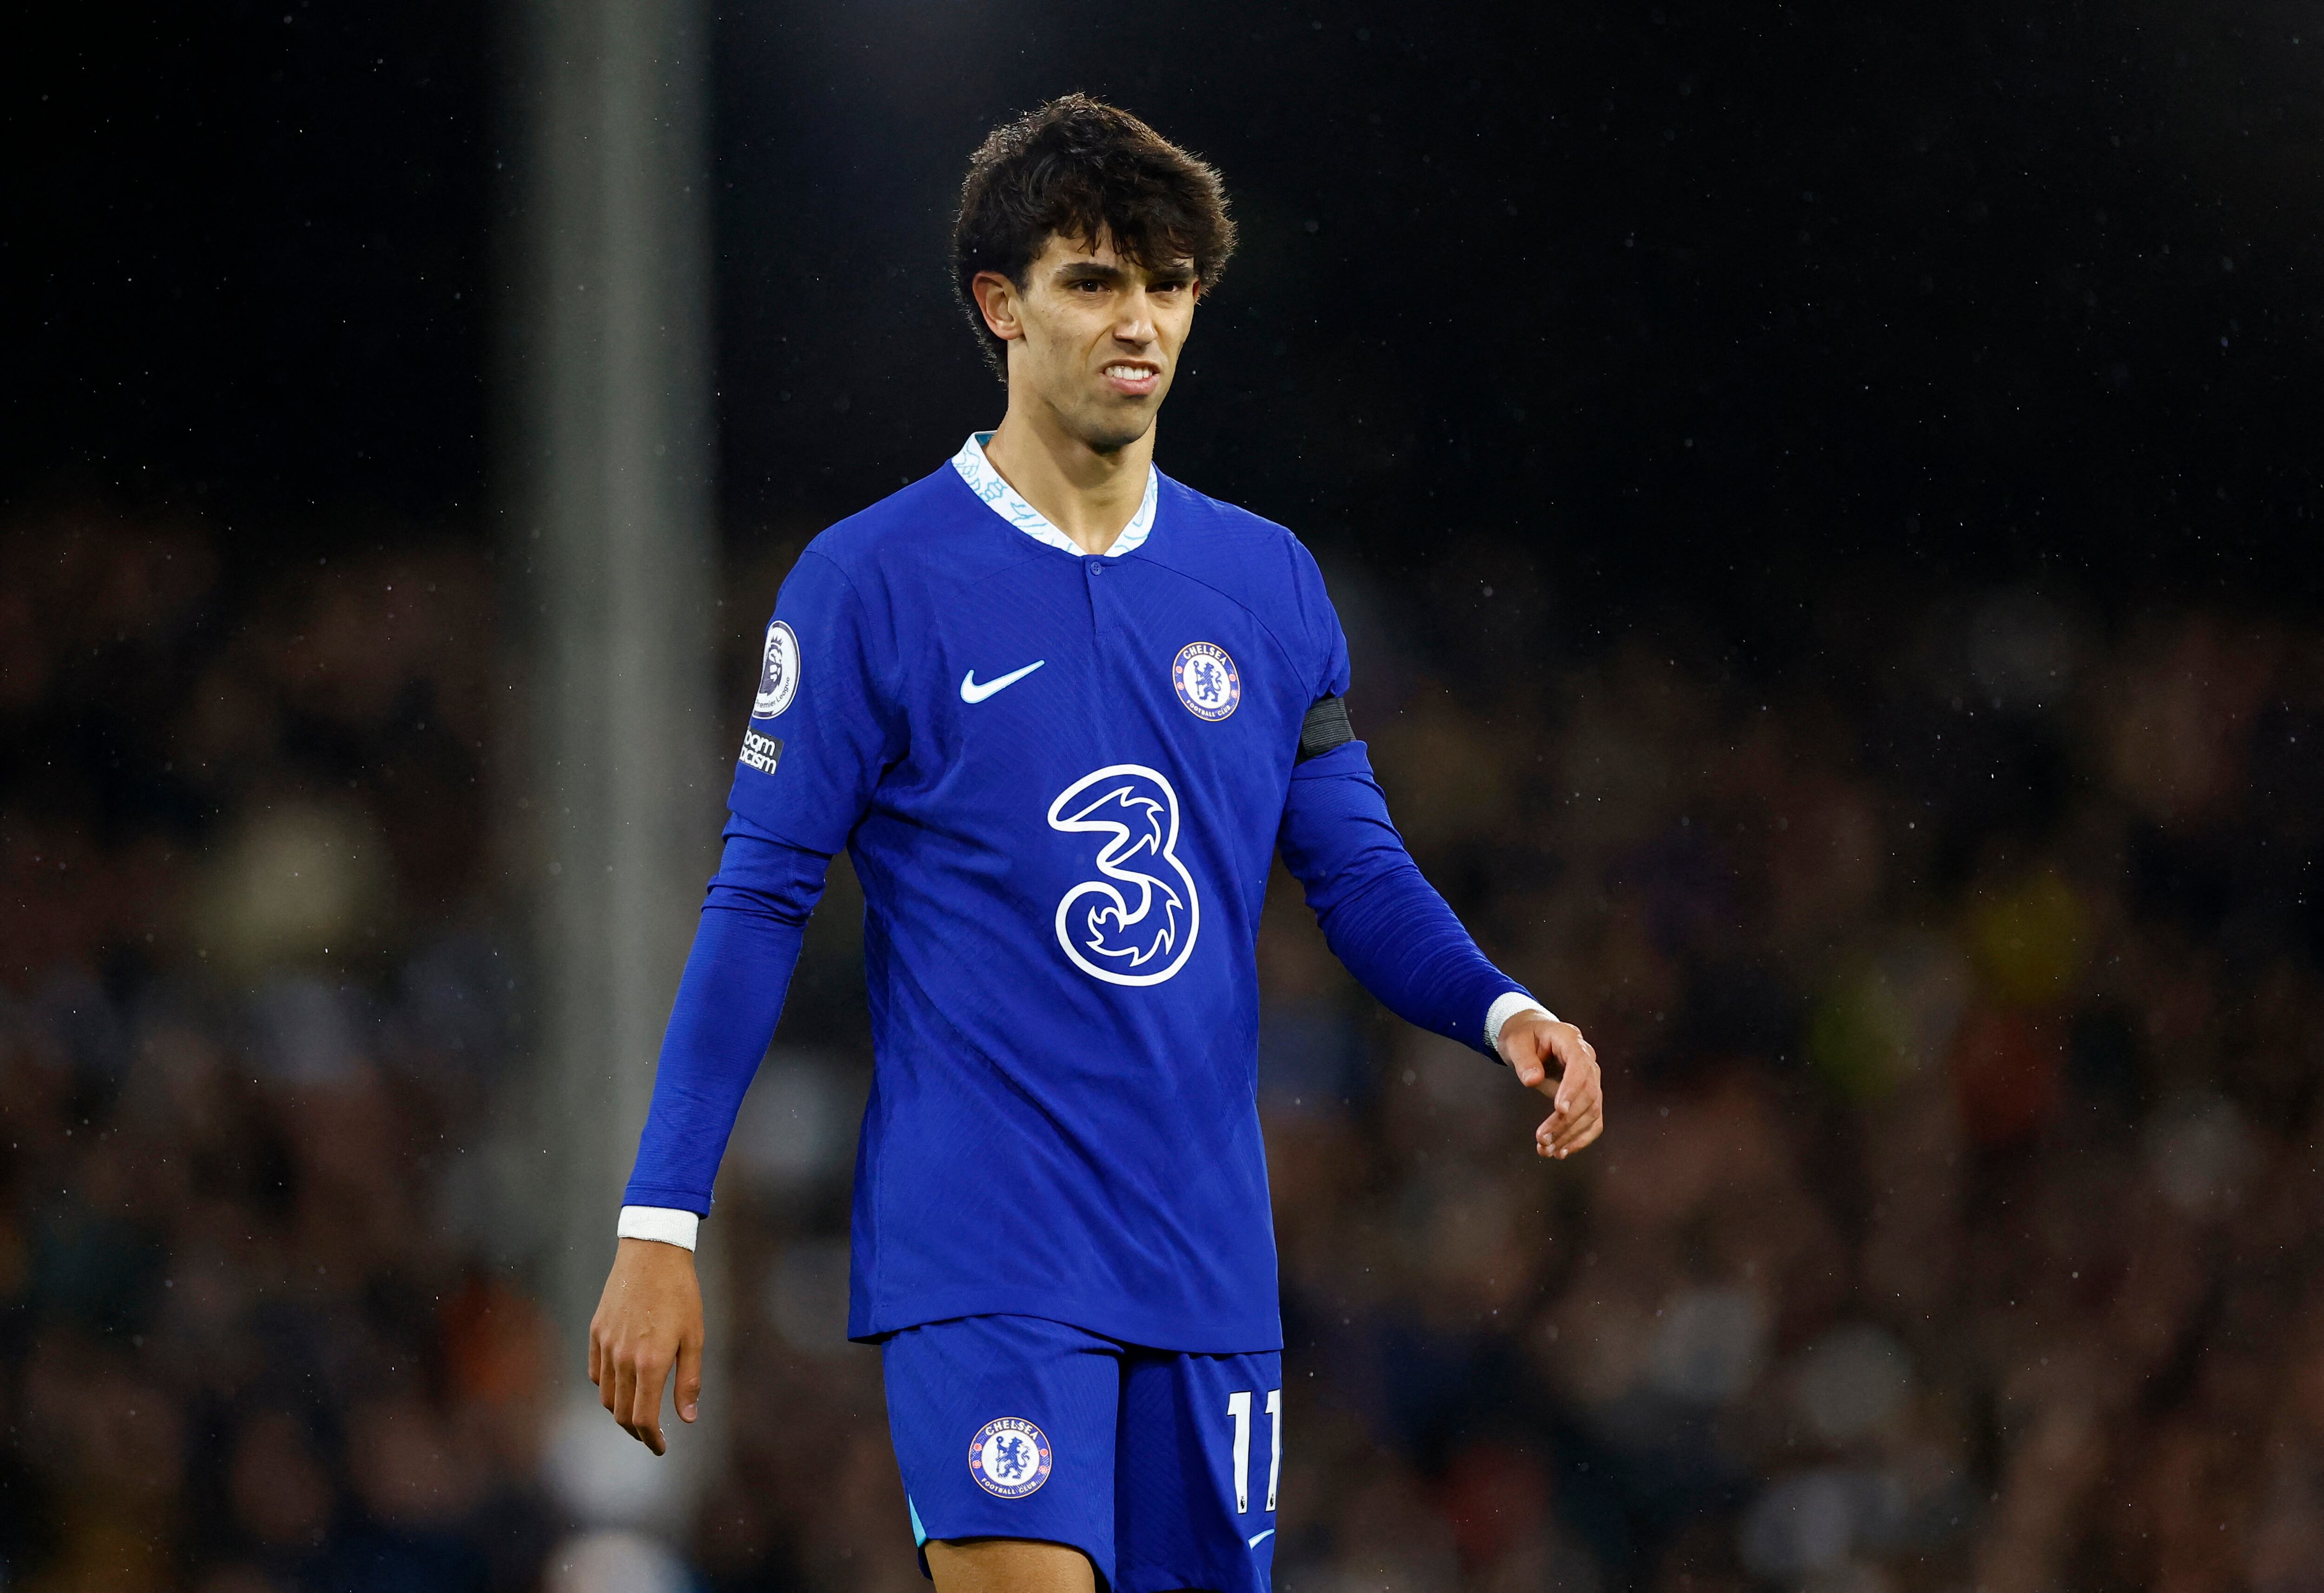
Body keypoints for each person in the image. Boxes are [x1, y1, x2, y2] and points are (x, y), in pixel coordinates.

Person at [588, 94, 1604, 1593]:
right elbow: (758, 901)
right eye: (1094, 280)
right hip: (983, 1248)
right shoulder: (872, 581)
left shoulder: (1263, 586)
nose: (1142, 320)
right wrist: (659, 1221)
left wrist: (1500, 1004)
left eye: (1171, 284)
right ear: (999, 306)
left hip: (1204, 1256)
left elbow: (1358, 871)